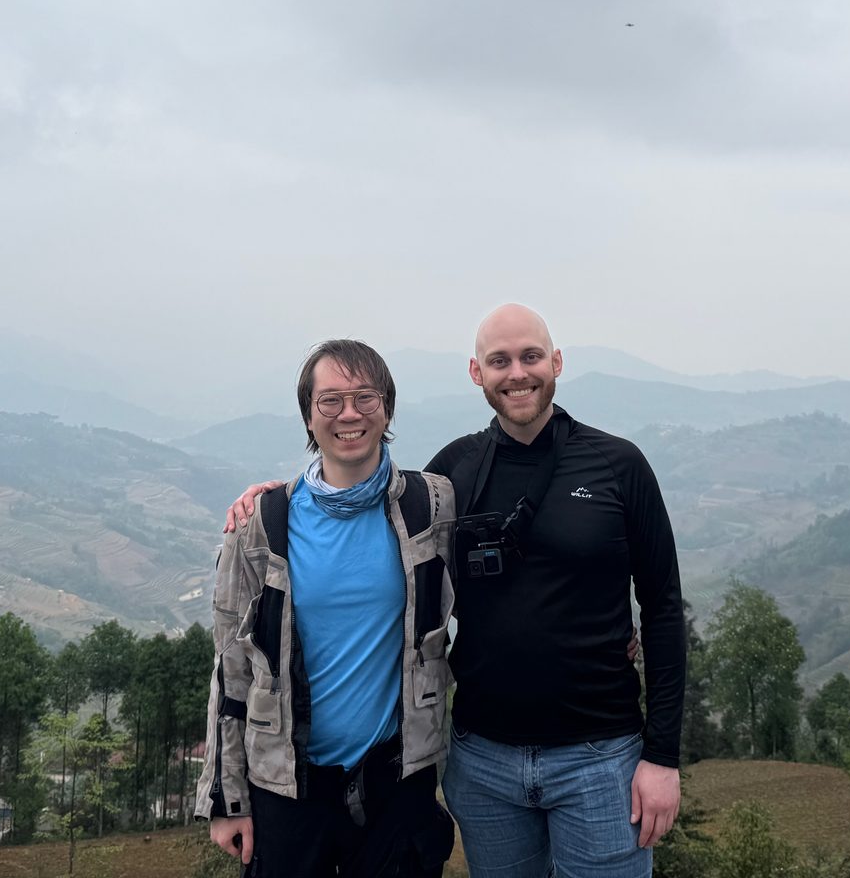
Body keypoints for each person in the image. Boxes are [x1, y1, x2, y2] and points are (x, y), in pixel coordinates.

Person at [229, 305, 685, 876]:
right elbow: (374, 504)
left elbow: (664, 608)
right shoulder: (451, 478)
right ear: (477, 373)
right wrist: (276, 499)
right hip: (483, 759)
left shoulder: (620, 466)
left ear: (558, 363)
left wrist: (662, 756)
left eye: (531, 357)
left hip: (600, 759)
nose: (517, 373)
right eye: (500, 361)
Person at [198, 339, 456, 877]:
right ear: (308, 416)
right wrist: (228, 801)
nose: (349, 414)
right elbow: (231, 670)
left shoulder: (430, 506)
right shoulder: (262, 525)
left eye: (365, 397)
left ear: (386, 408)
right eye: (330, 401)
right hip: (289, 784)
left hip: (396, 778)